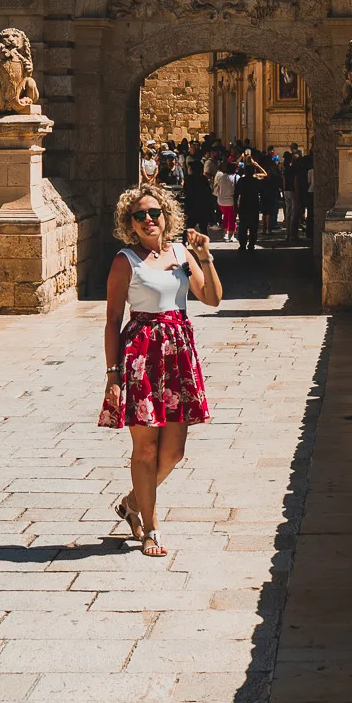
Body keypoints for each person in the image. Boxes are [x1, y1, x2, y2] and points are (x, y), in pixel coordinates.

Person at [100, 184, 222, 558]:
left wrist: (205, 257)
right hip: (141, 358)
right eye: (140, 215)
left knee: (173, 451)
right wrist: (113, 375)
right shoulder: (125, 261)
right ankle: (150, 529)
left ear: (166, 216)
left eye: (154, 212)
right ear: (130, 223)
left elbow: (212, 298)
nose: (148, 219)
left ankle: (131, 503)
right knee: (146, 448)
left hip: (178, 356)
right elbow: (112, 319)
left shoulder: (182, 254)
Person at [234, 148, 268, 252]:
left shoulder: (241, 180)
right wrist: (257, 165)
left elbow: (236, 194)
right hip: (254, 204)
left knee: (243, 226)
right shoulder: (256, 181)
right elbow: (262, 191)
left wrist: (235, 206)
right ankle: (251, 245)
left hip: (244, 204)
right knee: (253, 226)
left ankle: (243, 245)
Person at [213, 157, 237, 239]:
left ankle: (225, 233)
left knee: (226, 217)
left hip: (221, 201)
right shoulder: (236, 177)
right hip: (231, 201)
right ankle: (231, 235)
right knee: (232, 218)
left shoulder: (221, 177)